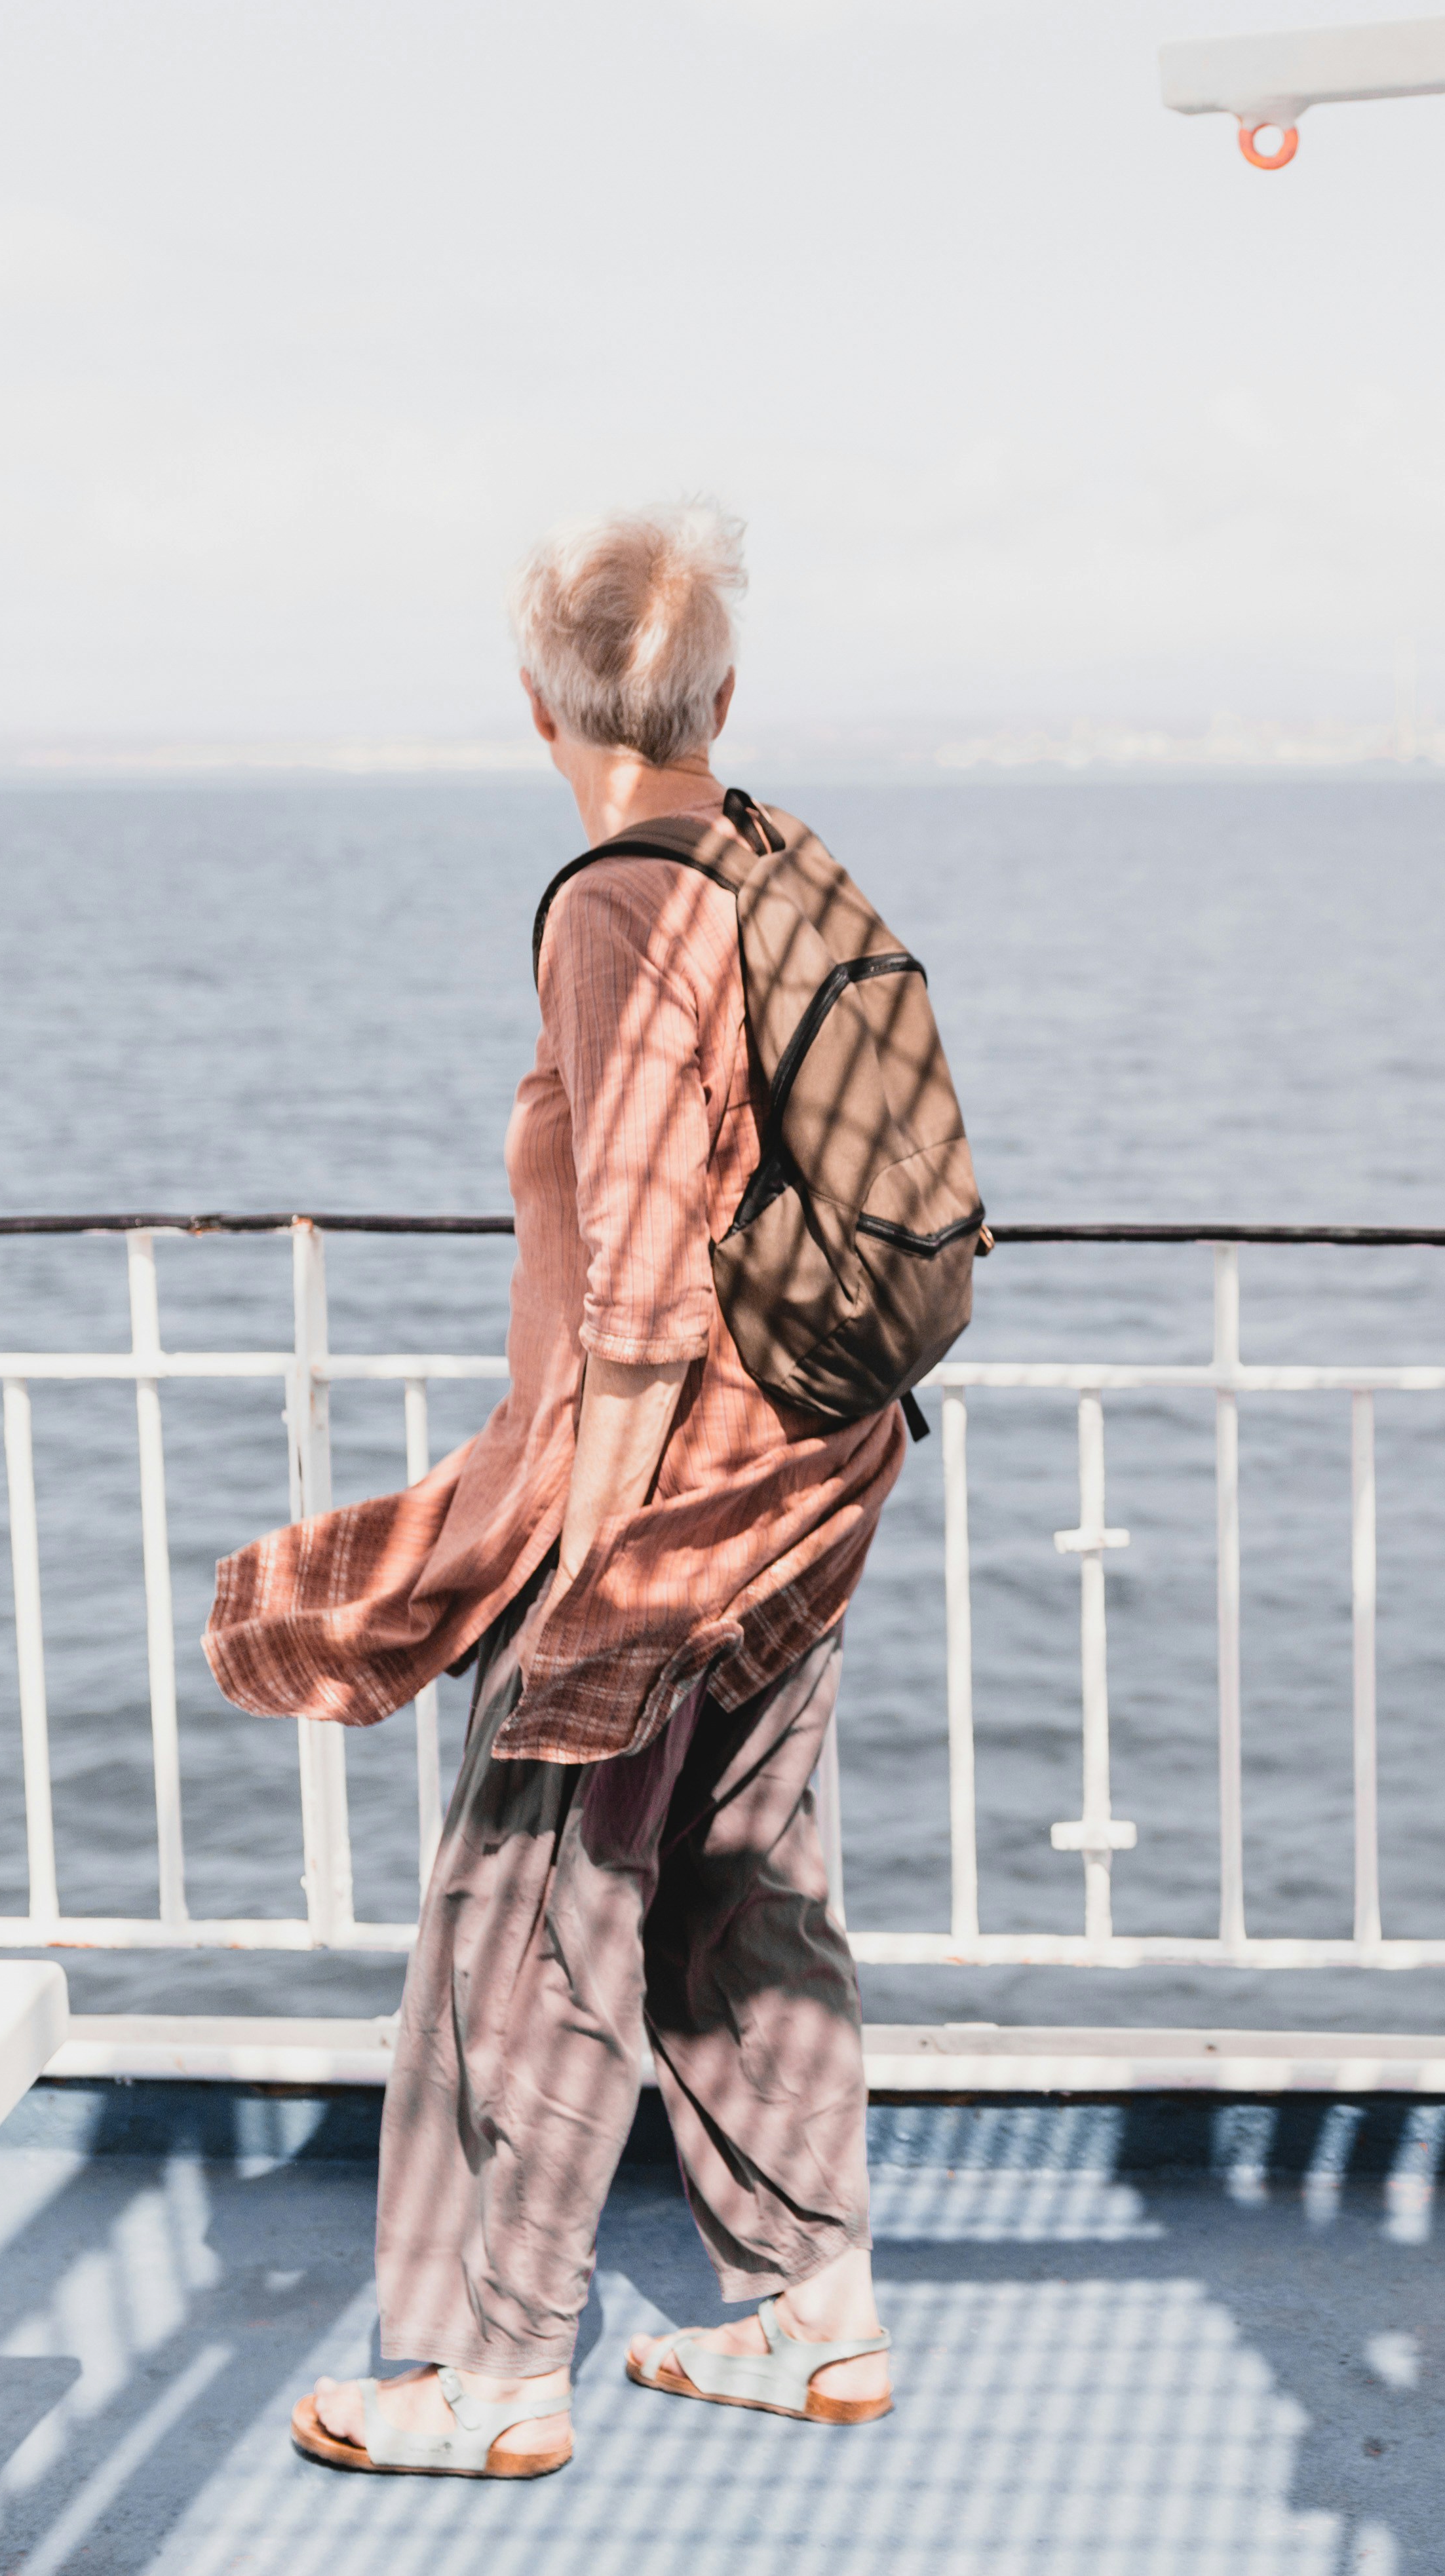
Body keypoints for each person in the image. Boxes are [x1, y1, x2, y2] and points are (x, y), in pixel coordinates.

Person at [206, 503, 909, 2479]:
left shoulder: (617, 901)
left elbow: (632, 1271)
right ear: (723, 694)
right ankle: (817, 2310)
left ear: (538, 705)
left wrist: (579, 1569)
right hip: (811, 1477)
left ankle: (499, 2378)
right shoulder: (778, 863)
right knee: (743, 1886)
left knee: (533, 1915)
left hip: (659, 1505)